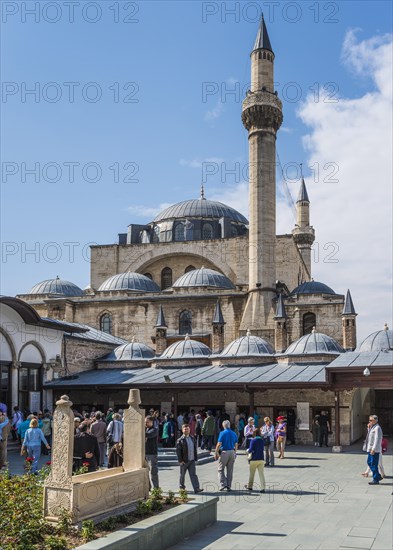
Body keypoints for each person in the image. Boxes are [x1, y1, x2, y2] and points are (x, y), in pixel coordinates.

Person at [176, 423, 204, 494]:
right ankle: (182, 488)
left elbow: (195, 449)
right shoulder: (180, 440)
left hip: (192, 460)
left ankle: (196, 488)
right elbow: (178, 451)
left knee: (193, 475)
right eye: (185, 429)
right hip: (184, 461)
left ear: (189, 430)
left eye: (187, 429)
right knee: (182, 475)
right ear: (182, 430)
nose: (186, 430)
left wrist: (195, 458)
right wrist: (180, 460)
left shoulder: (192, 438)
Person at [214, 420, 238, 491]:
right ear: (229, 425)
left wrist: (216, 452)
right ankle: (229, 486)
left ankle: (222, 484)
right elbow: (236, 444)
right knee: (230, 470)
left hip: (224, 452)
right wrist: (235, 452)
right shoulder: (234, 433)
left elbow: (219, 444)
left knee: (220, 469)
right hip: (232, 452)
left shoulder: (222, 433)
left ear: (223, 425)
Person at [245, 428, 265, 493]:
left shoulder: (253, 440)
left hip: (253, 459)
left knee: (252, 474)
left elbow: (250, 449)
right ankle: (263, 488)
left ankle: (250, 486)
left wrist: (247, 451)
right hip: (261, 459)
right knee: (261, 474)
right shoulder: (262, 440)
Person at [364, 415, 383, 485]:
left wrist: (373, 449)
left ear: (376, 420)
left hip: (374, 449)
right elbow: (370, 436)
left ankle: (376, 479)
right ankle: (378, 475)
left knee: (373, 464)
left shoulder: (377, 428)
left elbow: (377, 439)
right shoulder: (372, 427)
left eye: (371, 420)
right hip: (370, 448)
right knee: (369, 462)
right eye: (369, 420)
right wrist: (368, 428)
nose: (369, 421)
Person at [145, 415, 159, 489]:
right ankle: (148, 487)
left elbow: (149, 435)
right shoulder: (145, 429)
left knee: (153, 471)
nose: (145, 423)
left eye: (147, 422)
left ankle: (156, 488)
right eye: (145, 422)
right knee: (145, 472)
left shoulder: (155, 429)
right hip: (144, 453)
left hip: (152, 453)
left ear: (151, 422)